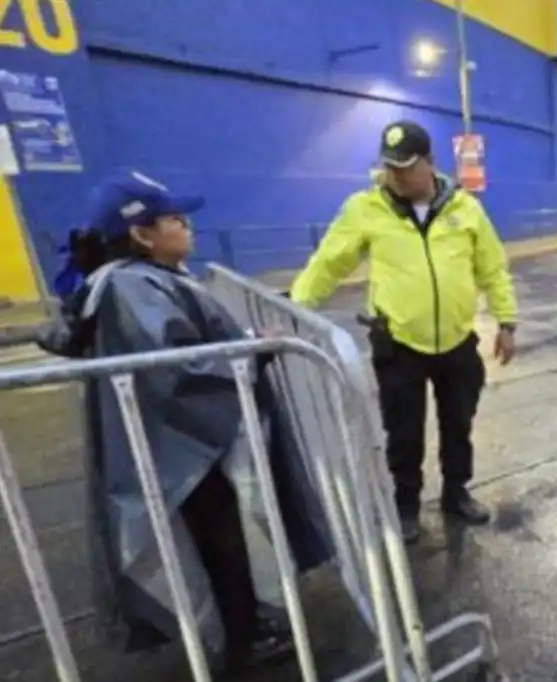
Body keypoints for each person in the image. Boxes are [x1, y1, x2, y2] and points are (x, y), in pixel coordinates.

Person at [37, 171, 335, 673]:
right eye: (176, 220)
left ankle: (242, 629)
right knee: (218, 547)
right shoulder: (133, 287)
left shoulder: (146, 280)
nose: (188, 228)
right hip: (187, 454)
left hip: (184, 446)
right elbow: (178, 368)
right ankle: (239, 643)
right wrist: (253, 352)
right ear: (142, 233)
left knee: (220, 543)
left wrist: (241, 343)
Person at [290, 121, 519, 544]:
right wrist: (294, 312)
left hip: (456, 342)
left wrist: (506, 323)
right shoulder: (365, 208)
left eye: (407, 167)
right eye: (390, 167)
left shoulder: (465, 209)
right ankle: (407, 505)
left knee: (458, 425)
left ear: (431, 163)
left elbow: (493, 270)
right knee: (403, 432)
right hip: (399, 345)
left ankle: (456, 493)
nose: (396, 176)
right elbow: (328, 263)